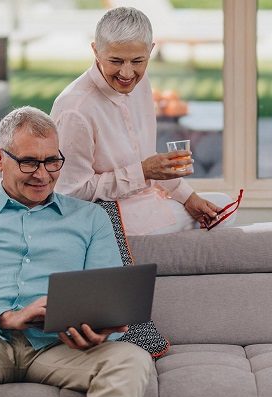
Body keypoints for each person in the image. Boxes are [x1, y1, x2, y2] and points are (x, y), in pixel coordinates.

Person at [0, 106, 153, 397]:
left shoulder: (91, 219)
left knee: (132, 358)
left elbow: (109, 301)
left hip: (60, 349)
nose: (42, 175)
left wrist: (102, 331)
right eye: (29, 162)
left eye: (52, 161)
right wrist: (5, 318)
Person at [51, 6, 233, 236]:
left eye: (137, 61)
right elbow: (69, 193)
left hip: (144, 200)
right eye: (116, 61)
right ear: (96, 51)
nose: (127, 74)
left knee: (222, 206)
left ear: (151, 50)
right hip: (104, 217)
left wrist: (188, 197)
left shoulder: (141, 82)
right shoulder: (74, 109)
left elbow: (148, 164)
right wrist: (142, 172)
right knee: (216, 219)